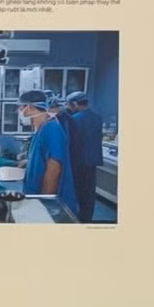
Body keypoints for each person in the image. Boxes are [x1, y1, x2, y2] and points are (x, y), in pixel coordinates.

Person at [18, 90, 78, 215]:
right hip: (35, 195)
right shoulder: (42, 128)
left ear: (29, 107)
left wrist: (44, 202)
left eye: (21, 107)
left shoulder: (51, 129)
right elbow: (42, 157)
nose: (19, 111)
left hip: (52, 205)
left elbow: (54, 168)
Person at [63, 90, 103, 222]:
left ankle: (76, 220)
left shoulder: (74, 120)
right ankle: (87, 220)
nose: (69, 108)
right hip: (92, 162)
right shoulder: (97, 118)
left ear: (74, 104)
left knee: (77, 192)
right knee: (89, 193)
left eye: (69, 105)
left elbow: (72, 143)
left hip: (78, 162)